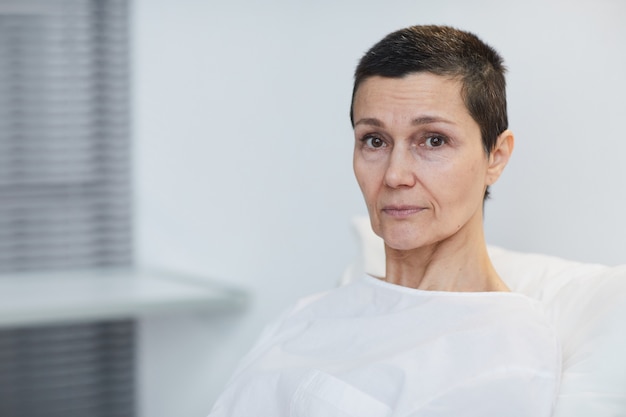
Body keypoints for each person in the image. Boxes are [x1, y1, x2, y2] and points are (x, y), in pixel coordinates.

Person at [207, 25, 561, 417]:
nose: (395, 175)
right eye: (375, 140)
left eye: (433, 140)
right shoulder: (306, 315)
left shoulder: (505, 346)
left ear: (495, 156)